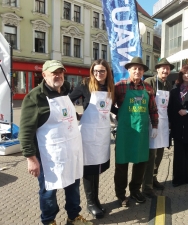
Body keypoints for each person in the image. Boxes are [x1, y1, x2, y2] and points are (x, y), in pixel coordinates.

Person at [19, 60, 92, 225]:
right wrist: (31, 158)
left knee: (73, 186)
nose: (58, 75)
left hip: (71, 152)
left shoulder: (65, 90)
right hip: (49, 156)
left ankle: (74, 217)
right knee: (48, 191)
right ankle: (49, 221)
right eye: (54, 72)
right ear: (44, 75)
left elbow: (67, 115)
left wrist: (84, 116)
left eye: (60, 72)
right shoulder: (35, 97)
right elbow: (25, 131)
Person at [69, 59, 114, 219]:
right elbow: (67, 102)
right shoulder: (85, 84)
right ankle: (90, 203)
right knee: (89, 168)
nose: (98, 74)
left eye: (102, 71)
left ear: (107, 72)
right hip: (88, 133)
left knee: (98, 167)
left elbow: (113, 106)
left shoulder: (110, 87)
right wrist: (75, 116)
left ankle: (96, 199)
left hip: (102, 133)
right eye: (95, 71)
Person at [113, 57, 158, 207]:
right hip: (125, 132)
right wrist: (114, 115)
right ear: (129, 70)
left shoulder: (148, 88)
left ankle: (135, 190)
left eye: (140, 69)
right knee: (122, 164)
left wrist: (155, 125)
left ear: (144, 71)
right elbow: (108, 104)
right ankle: (120, 194)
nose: (137, 71)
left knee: (140, 163)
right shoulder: (119, 86)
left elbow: (153, 109)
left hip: (141, 132)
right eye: (134, 68)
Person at [142, 58, 174, 198]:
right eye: (163, 68)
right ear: (157, 69)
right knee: (151, 155)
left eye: (167, 68)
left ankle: (153, 179)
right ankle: (147, 186)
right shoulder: (150, 82)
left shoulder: (169, 85)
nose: (165, 71)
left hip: (164, 123)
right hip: (151, 122)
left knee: (159, 154)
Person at [167, 65, 188, 187]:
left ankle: (186, 177)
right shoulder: (175, 89)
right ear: (181, 75)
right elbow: (170, 107)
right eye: (184, 73)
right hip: (177, 126)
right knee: (178, 153)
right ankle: (177, 178)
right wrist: (170, 122)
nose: (187, 75)